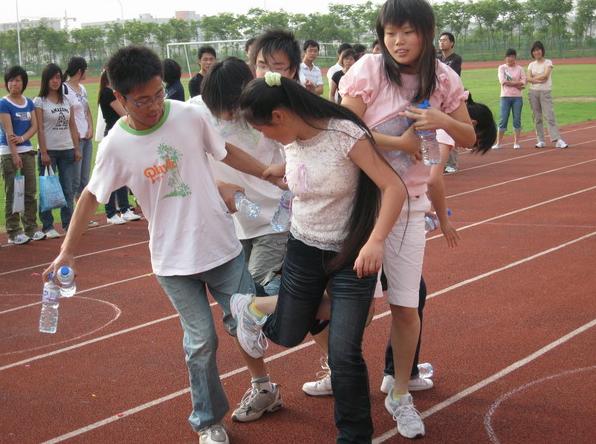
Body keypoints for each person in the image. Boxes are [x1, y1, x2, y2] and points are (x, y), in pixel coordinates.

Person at [43, 46, 285, 444]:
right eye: (142, 100)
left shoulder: (188, 115)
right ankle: (208, 422)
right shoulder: (117, 145)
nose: (155, 105)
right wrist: (67, 250)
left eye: (158, 94)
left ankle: (264, 386)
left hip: (221, 248)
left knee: (246, 325)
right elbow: (90, 196)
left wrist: (266, 171)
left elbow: (225, 152)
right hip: (173, 261)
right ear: (119, 98)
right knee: (201, 342)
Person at [232, 71, 407, 444]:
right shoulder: (291, 139)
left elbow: (393, 186)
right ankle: (254, 307)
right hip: (303, 248)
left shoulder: (345, 134)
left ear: (279, 115)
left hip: (352, 254)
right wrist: (281, 172)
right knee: (288, 333)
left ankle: (354, 436)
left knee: (344, 354)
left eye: (263, 130)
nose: (265, 138)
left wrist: (376, 241)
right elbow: (308, 169)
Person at [339, 0, 476, 438]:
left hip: (410, 204)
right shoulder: (368, 70)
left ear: (426, 32)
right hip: (359, 201)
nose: (398, 42)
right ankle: (334, 369)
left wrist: (440, 118)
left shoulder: (444, 78)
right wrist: (399, 144)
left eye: (407, 32)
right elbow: (343, 129)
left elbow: (468, 135)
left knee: (405, 304)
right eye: (390, 33)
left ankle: (399, 391)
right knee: (348, 303)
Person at [191, 56, 287, 296]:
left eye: (231, 107)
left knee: (255, 291)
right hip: (234, 221)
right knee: (240, 293)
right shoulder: (196, 111)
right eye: (218, 108)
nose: (225, 115)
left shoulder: (266, 109)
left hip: (274, 218)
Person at [34, 63, 81, 239]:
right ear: (46, 80)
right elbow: (40, 129)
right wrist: (44, 152)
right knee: (46, 189)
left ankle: (68, 224)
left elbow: (72, 126)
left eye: (58, 77)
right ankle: (47, 226)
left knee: (67, 189)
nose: (55, 81)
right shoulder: (39, 101)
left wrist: (77, 148)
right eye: (52, 78)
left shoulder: (66, 100)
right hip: (49, 152)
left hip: (67, 150)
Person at [0, 66, 44, 245]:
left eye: (17, 80)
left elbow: (35, 126)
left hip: (27, 151)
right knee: (13, 192)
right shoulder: (4, 103)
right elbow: (8, 131)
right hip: (10, 154)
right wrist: (15, 154)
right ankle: (13, 231)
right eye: (10, 80)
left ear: (23, 82)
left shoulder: (28, 102)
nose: (14, 84)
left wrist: (23, 138)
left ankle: (31, 228)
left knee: (29, 192)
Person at [97, 70, 141, 224]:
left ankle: (124, 208)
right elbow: (124, 113)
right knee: (111, 174)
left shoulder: (113, 92)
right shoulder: (108, 93)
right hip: (113, 134)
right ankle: (110, 212)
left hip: (120, 134)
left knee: (123, 173)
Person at [526, 41, 568, 149]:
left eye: (538, 50)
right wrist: (536, 79)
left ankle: (557, 139)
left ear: (542, 50)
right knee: (537, 117)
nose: (536, 52)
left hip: (545, 92)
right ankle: (541, 140)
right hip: (533, 92)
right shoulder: (531, 65)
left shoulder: (548, 62)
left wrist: (533, 79)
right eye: (534, 50)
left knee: (549, 116)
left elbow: (545, 76)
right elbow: (528, 78)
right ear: (532, 52)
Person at [63, 57, 94, 204]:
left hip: (86, 139)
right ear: (80, 71)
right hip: (75, 140)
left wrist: (91, 128)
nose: (87, 72)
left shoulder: (82, 88)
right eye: (85, 69)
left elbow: (87, 111)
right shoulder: (64, 89)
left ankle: (81, 211)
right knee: (75, 180)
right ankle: (72, 212)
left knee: (84, 179)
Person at [438, 31, 463, 173]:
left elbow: (449, 75)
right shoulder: (437, 58)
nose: (441, 42)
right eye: (440, 40)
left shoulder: (456, 59)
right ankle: (439, 161)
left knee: (450, 128)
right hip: (437, 98)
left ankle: (452, 163)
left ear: (452, 43)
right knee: (436, 129)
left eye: (445, 40)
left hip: (450, 98)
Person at [492, 48, 526, 150]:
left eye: (512, 56)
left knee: (517, 119)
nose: (510, 58)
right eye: (508, 56)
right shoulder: (502, 68)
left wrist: (513, 83)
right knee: (503, 119)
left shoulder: (520, 68)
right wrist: (517, 84)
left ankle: (516, 142)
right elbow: (502, 81)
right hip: (505, 97)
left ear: (515, 57)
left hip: (517, 98)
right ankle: (498, 143)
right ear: (505, 58)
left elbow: (524, 81)